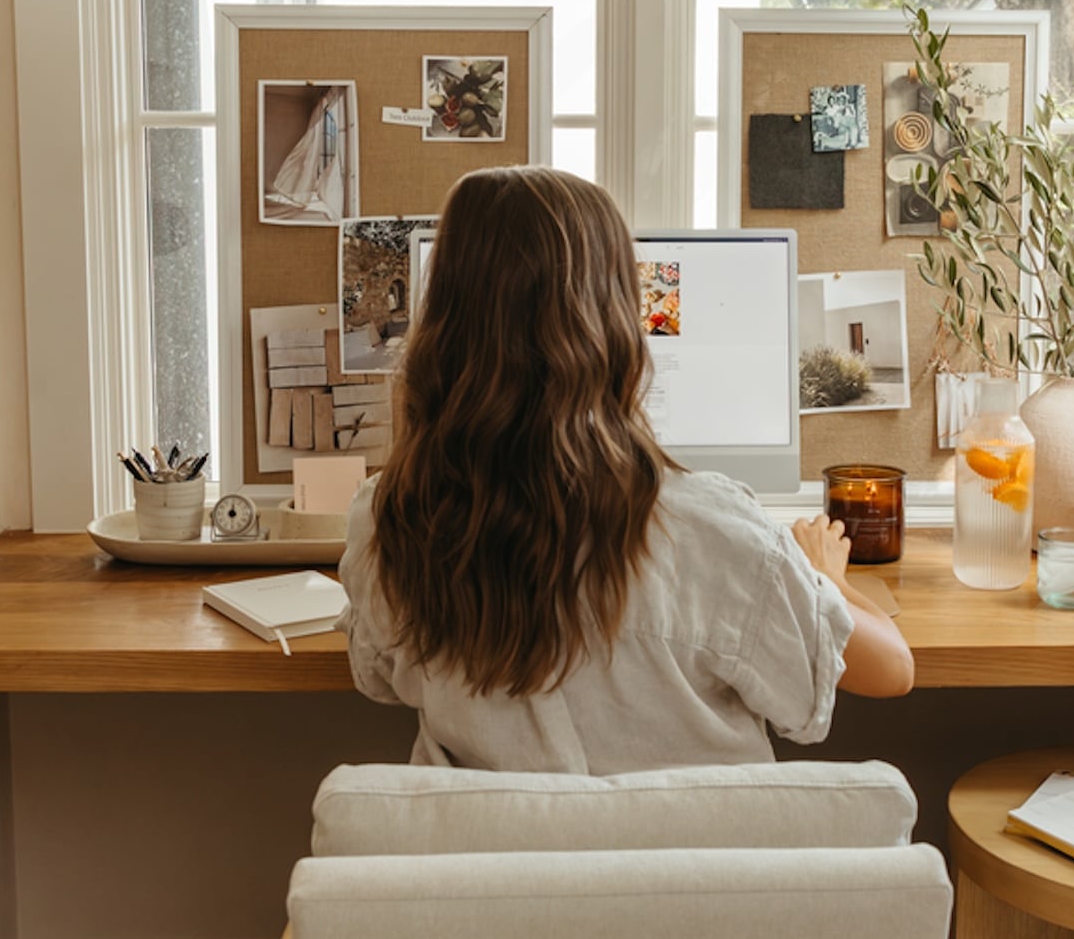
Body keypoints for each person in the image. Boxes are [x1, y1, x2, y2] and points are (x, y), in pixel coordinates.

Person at [338, 167, 914, 771]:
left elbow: (377, 677)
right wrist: (828, 578)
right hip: (689, 866)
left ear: (443, 325)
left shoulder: (391, 520)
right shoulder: (713, 531)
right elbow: (893, 670)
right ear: (614, 326)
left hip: (497, 865)